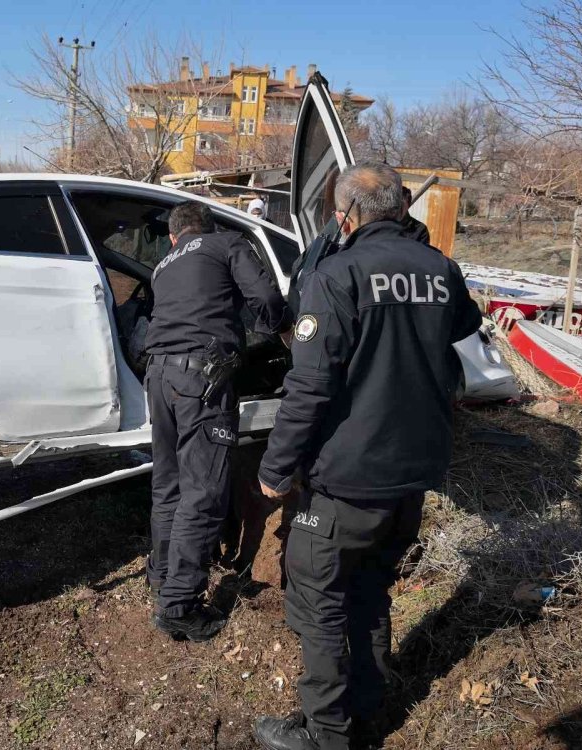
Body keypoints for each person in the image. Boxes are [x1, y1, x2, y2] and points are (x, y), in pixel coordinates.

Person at [252, 163, 482, 750]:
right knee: (371, 591)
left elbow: (309, 388)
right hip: (412, 474)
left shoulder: (336, 274)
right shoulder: (441, 268)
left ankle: (329, 734)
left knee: (318, 604)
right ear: (401, 208)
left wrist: (276, 469)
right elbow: (465, 325)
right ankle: (369, 709)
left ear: (343, 216)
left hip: (344, 481)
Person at [145, 200, 291, 642]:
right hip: (200, 380)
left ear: (174, 237)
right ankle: (179, 605)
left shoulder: (161, 267)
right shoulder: (226, 243)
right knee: (203, 490)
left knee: (168, 484)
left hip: (158, 376)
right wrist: (286, 329)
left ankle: (162, 577)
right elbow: (264, 297)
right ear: (205, 228)